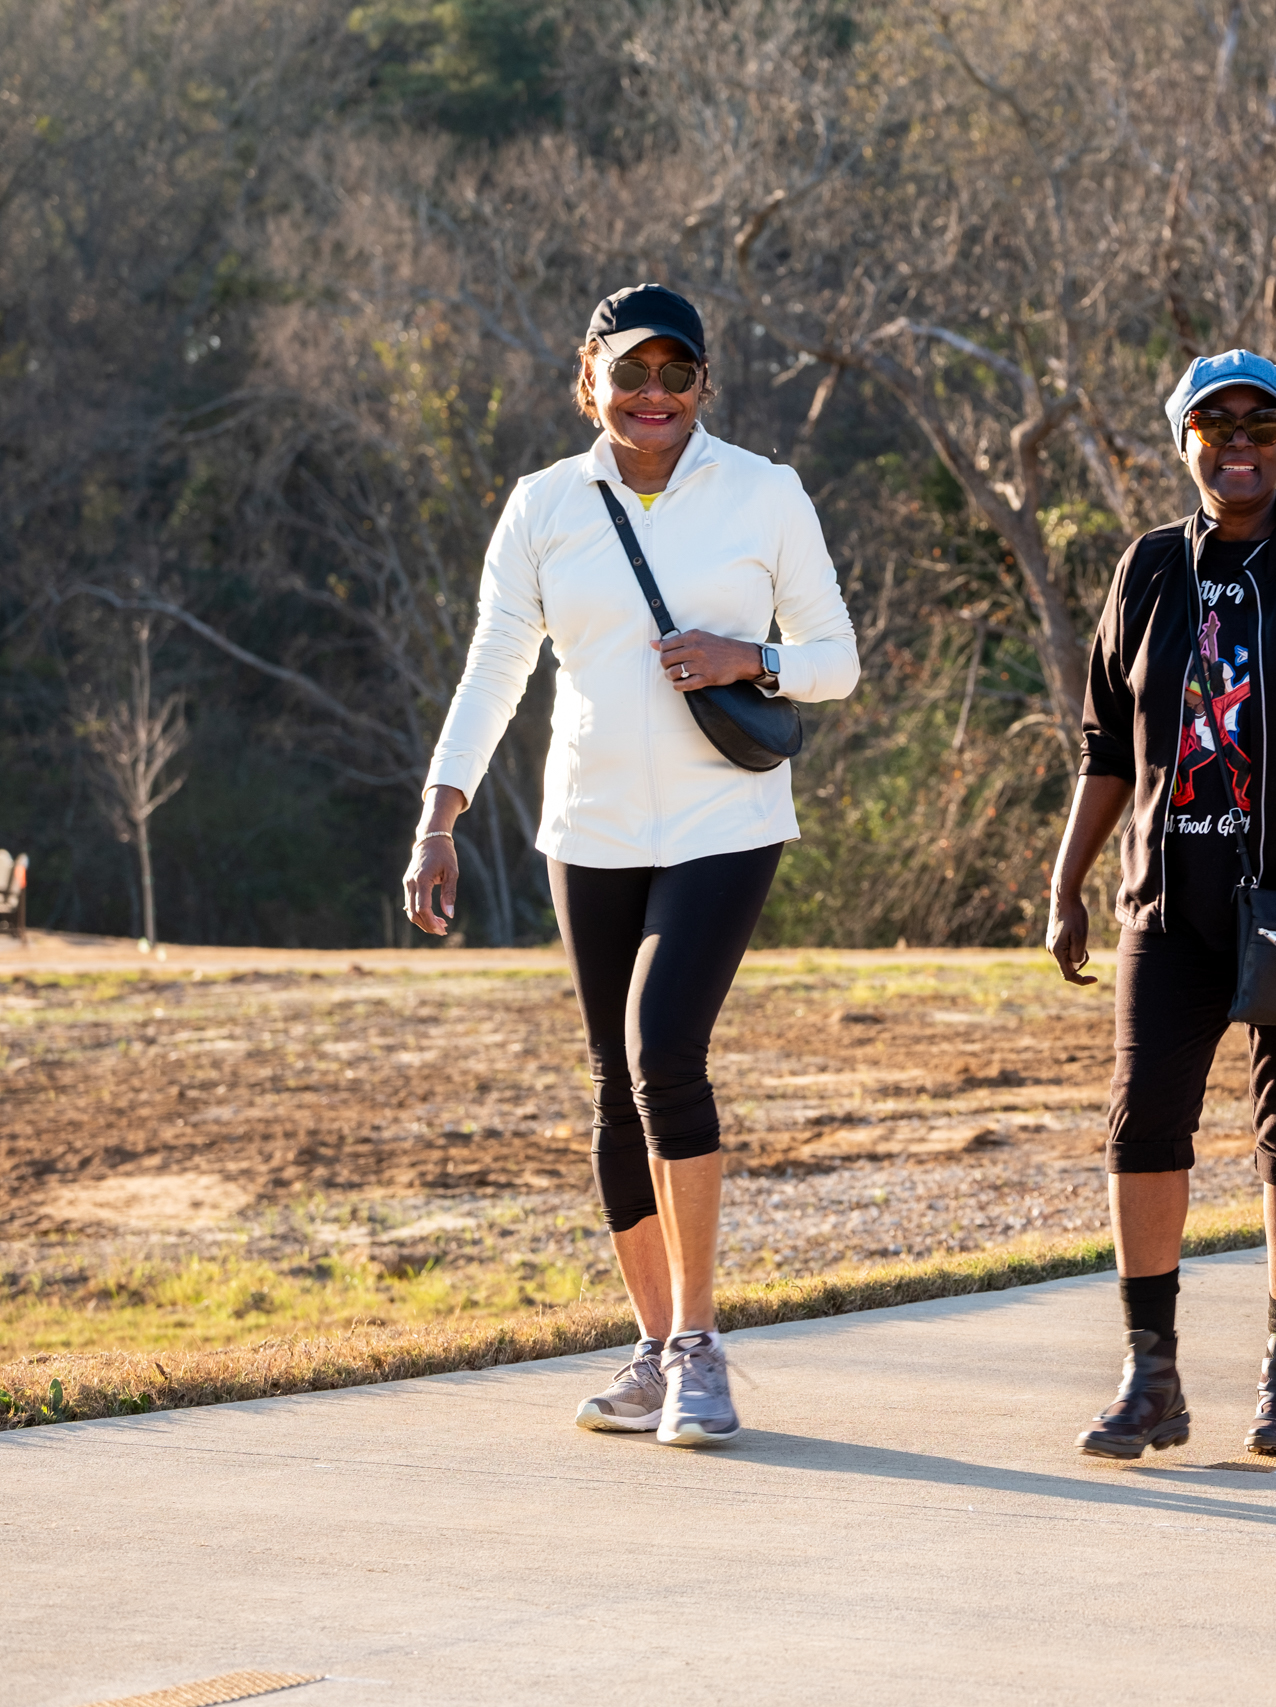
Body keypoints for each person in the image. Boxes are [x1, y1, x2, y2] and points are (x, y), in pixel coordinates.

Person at [403, 284, 860, 1447]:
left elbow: (834, 662)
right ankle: (653, 1351)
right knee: (615, 1083)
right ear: (589, 380)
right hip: (590, 828)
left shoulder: (764, 492)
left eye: (676, 374)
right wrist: (439, 814)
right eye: (631, 374)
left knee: (666, 1051)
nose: (653, 396)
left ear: (703, 386)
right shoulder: (544, 505)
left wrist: (740, 654)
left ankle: (703, 1350)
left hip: (726, 820)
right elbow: (494, 666)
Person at [1046, 349, 1276, 1460]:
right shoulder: (1147, 568)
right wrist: (1070, 877)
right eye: (1215, 423)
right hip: (1170, 904)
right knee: (1141, 1127)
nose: (1240, 438)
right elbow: (1105, 742)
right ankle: (1149, 1374)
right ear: (1184, 442)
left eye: (1263, 420)